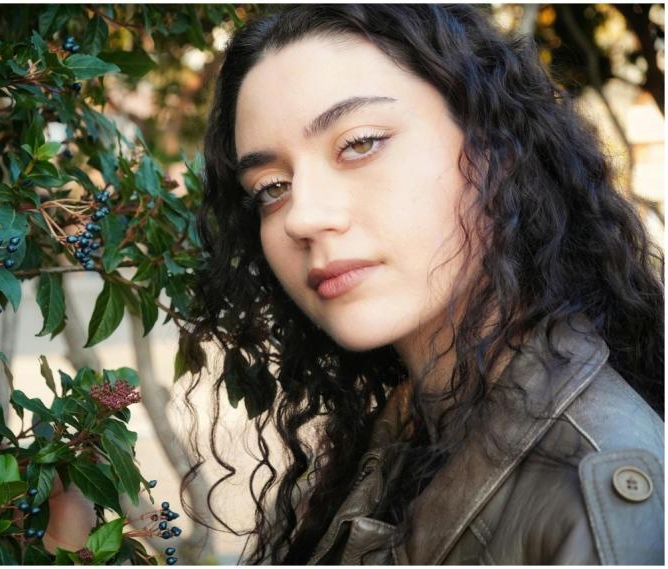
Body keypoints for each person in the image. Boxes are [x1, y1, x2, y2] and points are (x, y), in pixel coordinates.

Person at [185, 4, 664, 564]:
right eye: (271, 187)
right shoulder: (410, 427)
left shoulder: (601, 498)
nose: (302, 217)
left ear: (498, 150)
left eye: (360, 142)